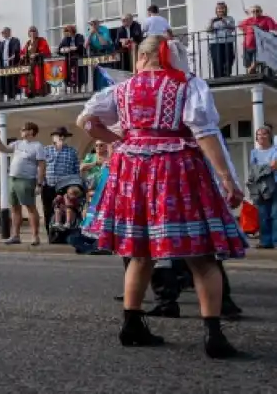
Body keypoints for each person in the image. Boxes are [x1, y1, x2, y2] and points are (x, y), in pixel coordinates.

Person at [77, 35, 246, 358]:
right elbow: (204, 131)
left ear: (141, 57)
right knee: (202, 253)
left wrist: (120, 140)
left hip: (133, 170)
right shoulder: (187, 85)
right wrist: (226, 177)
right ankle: (213, 334)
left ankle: (131, 324)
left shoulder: (120, 89)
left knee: (140, 251)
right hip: (177, 167)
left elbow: (86, 120)